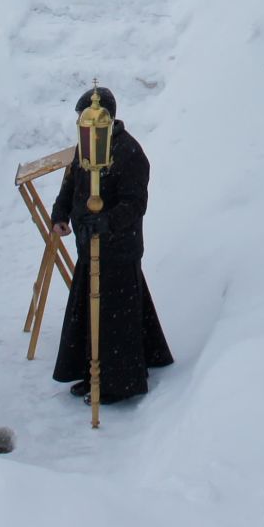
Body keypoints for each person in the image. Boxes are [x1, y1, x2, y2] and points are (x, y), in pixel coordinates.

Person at [49, 87, 173, 405]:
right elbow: (72, 183)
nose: (82, 124)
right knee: (91, 315)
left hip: (118, 249)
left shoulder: (129, 153)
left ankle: (117, 382)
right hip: (88, 247)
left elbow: (135, 204)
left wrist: (106, 222)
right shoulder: (87, 146)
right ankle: (93, 373)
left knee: (115, 317)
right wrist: (60, 212)